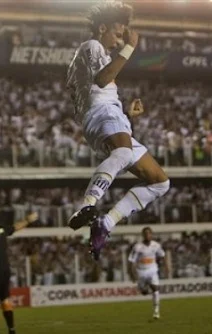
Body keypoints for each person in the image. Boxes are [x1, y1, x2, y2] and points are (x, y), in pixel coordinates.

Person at [66, 1, 170, 260]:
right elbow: (101, 81)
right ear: (103, 28)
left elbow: (95, 90)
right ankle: (89, 204)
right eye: (118, 33)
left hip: (108, 117)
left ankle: (106, 223)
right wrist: (130, 47)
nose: (119, 40)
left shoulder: (89, 56)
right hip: (103, 116)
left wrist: (126, 116)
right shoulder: (92, 46)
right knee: (122, 153)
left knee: (160, 182)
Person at [128, 227, 168, 319]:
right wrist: (132, 274)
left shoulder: (156, 245)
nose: (147, 235)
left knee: (156, 289)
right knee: (144, 292)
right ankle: (144, 288)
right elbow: (131, 261)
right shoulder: (137, 247)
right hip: (141, 271)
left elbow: (163, 255)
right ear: (143, 235)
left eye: (149, 233)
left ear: (151, 234)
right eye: (145, 234)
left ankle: (156, 311)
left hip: (152, 270)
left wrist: (167, 268)